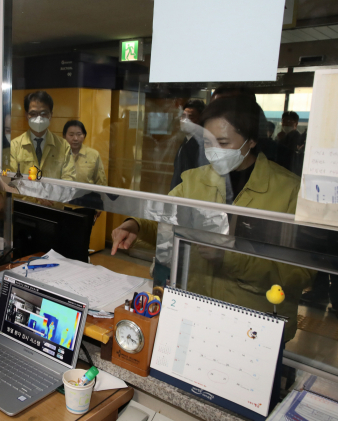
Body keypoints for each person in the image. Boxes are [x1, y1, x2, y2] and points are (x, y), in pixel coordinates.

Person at [111, 96, 313, 342]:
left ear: (251, 140)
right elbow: (166, 218)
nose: (214, 150)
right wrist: (137, 225)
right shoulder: (195, 180)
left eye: (224, 142)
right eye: (208, 142)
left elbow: (301, 272)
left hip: (253, 326)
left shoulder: (289, 191)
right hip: (195, 312)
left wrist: (231, 257)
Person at [9, 91, 75, 181]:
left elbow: (69, 180)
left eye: (44, 113)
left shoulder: (63, 146)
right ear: (26, 116)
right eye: (33, 113)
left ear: (51, 115)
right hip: (24, 195)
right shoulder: (14, 146)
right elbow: (11, 180)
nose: (39, 118)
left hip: (53, 195)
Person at [170, 99, 208, 189]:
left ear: (200, 120)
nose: (185, 121)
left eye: (191, 117)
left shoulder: (202, 145)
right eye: (183, 116)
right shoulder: (185, 140)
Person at [63, 120, 106, 185]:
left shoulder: (93, 154)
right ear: (64, 136)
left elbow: (101, 181)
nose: (75, 138)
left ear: (84, 136)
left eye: (79, 134)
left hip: (87, 194)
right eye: (71, 135)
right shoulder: (58, 153)